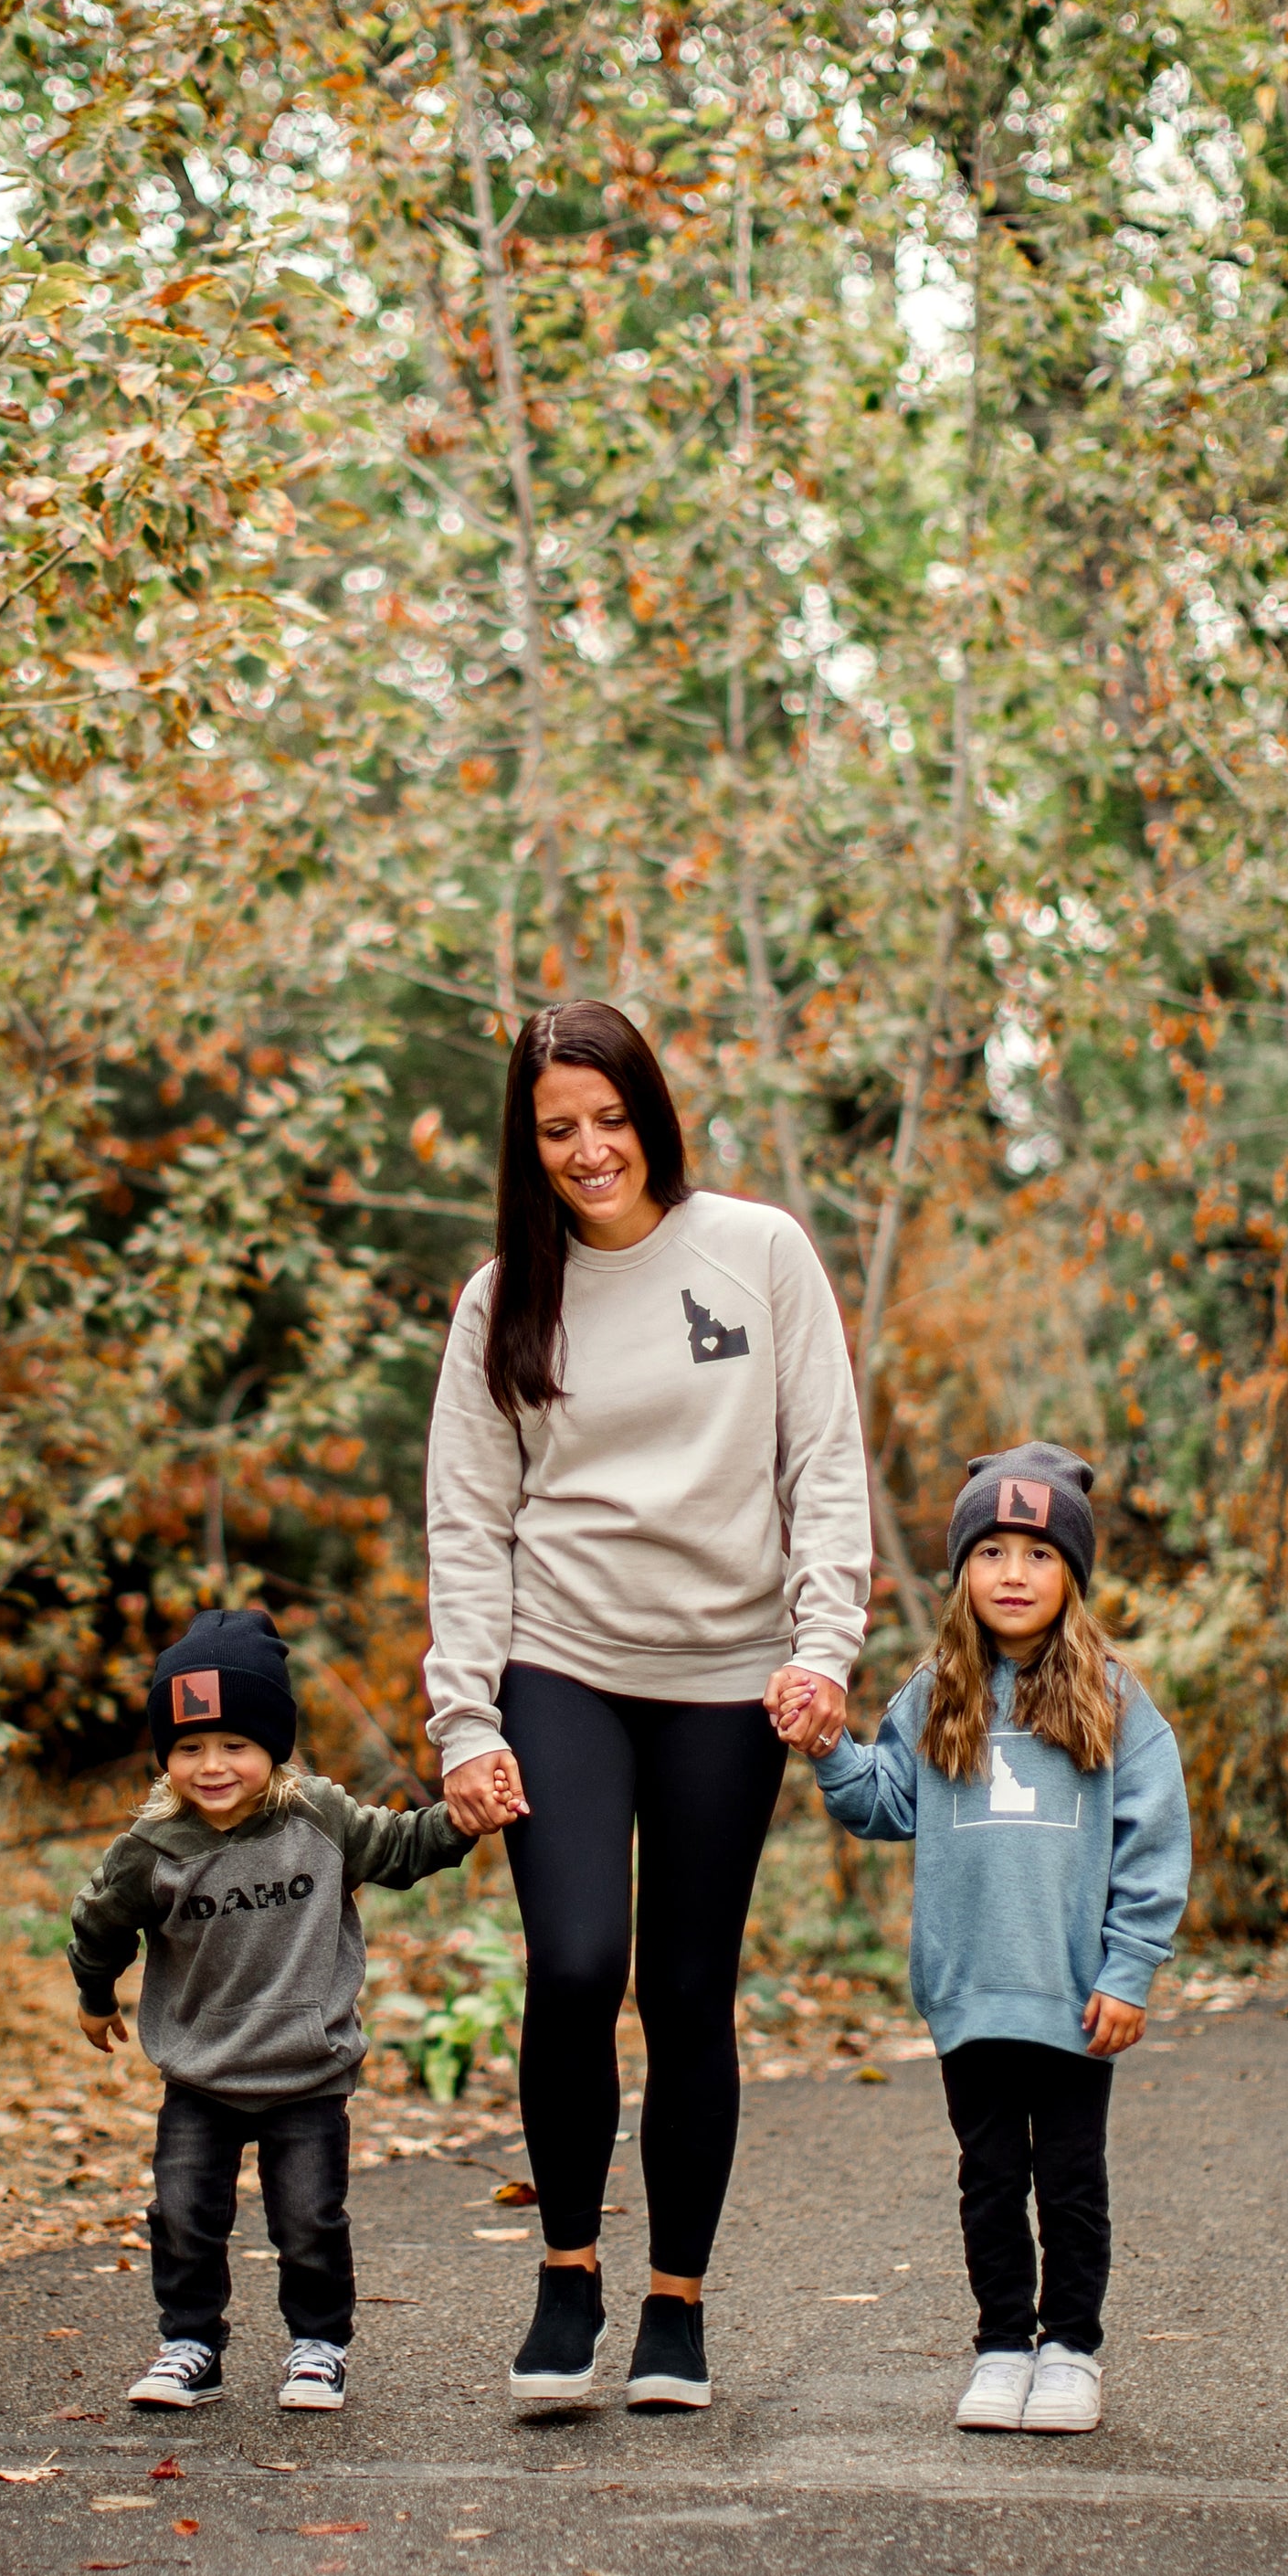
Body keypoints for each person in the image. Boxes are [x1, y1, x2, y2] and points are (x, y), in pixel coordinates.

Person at [423, 998, 871, 2412]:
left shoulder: (756, 1252)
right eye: (557, 1128)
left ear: (650, 1112)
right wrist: (465, 1720)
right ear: (526, 1139)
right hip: (559, 1658)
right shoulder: (504, 1298)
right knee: (571, 1961)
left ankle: (674, 2300)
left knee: (685, 1990)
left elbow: (825, 1460)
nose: (588, 1149)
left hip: (726, 1675)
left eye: (609, 1119)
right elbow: (464, 1521)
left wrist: (825, 1641)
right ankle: (566, 2273)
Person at [776, 1443, 1190, 2435]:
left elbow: (1152, 1845)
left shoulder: (1113, 1699)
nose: (1013, 1573)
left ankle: (1070, 2351)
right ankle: (1002, 2343)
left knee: (1071, 2182)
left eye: (1039, 1555)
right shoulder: (934, 1693)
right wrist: (830, 1749)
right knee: (990, 2179)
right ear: (961, 1569)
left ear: (1071, 1576)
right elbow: (884, 1804)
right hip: (968, 1991)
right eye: (992, 1551)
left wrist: (1128, 1969)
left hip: (1071, 1991)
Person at [68, 1606, 476, 2412]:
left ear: (272, 1747)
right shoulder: (151, 1849)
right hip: (201, 2072)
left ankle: (317, 2347)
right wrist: (94, 1992)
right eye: (188, 1748)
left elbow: (397, 1847)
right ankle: (190, 2344)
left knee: (309, 2219)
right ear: (166, 1757)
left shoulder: (317, 1817)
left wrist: (461, 1819)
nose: (212, 1765)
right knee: (183, 2214)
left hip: (306, 2068)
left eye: (235, 1745)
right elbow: (99, 1918)